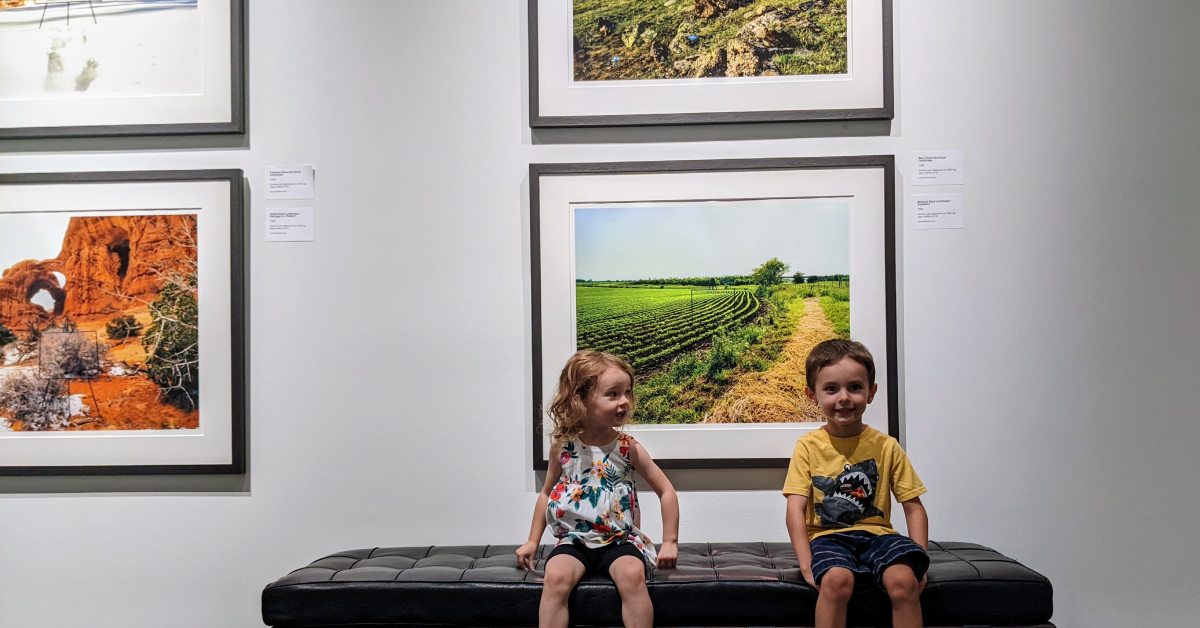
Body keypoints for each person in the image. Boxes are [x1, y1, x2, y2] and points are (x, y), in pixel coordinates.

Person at [517, 350, 679, 628]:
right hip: (574, 540)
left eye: (627, 392)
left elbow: (667, 491)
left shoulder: (629, 448)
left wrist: (670, 542)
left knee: (632, 576)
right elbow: (546, 494)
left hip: (618, 541)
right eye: (613, 394)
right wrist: (532, 541)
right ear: (581, 399)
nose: (625, 401)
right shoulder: (563, 447)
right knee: (555, 578)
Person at [783, 339, 929, 628]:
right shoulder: (807, 447)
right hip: (827, 538)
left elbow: (914, 508)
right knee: (837, 581)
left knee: (903, 581)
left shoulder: (887, 446)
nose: (844, 397)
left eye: (855, 387)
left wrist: (920, 560)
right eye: (831, 389)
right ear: (811, 395)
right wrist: (804, 562)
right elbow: (794, 511)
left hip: (878, 536)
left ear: (871, 392)